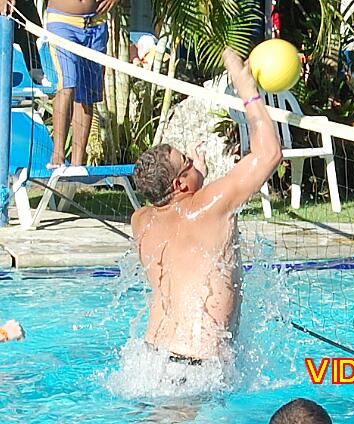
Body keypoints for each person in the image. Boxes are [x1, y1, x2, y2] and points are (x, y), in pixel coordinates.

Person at [131, 48, 282, 363]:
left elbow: (178, 216)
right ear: (180, 184)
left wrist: (196, 177)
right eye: (187, 160)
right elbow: (268, 154)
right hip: (197, 367)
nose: (193, 158)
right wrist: (246, 89)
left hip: (150, 359)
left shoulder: (140, 220)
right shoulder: (210, 207)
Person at [45, 0, 119, 168]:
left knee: (87, 95)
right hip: (62, 22)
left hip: (96, 24)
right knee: (67, 85)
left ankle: (77, 165)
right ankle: (58, 156)